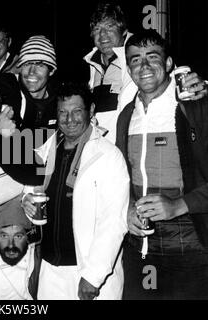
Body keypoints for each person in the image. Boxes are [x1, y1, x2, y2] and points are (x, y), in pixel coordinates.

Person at [116, 29, 208, 300]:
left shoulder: (194, 105)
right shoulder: (126, 116)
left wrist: (179, 205)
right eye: (134, 59)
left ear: (169, 64)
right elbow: (122, 178)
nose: (143, 66)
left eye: (151, 57)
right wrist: (128, 208)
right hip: (141, 252)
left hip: (191, 251)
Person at [22, 82, 129, 300]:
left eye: (77, 111)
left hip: (87, 272)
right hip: (50, 268)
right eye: (63, 112)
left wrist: (94, 275)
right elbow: (29, 186)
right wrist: (27, 199)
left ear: (90, 111)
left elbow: (115, 220)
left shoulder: (108, 155)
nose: (69, 119)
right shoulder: (46, 150)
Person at [84, 2, 207, 144]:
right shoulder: (93, 64)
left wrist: (201, 89)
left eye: (110, 27)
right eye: (97, 29)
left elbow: (179, 80)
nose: (103, 34)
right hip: (102, 149)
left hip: (136, 141)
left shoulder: (140, 52)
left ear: (123, 30)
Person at [0, 35, 58, 133]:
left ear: (51, 71)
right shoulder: (9, 88)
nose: (31, 72)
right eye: (27, 64)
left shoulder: (59, 103)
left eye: (39, 65)